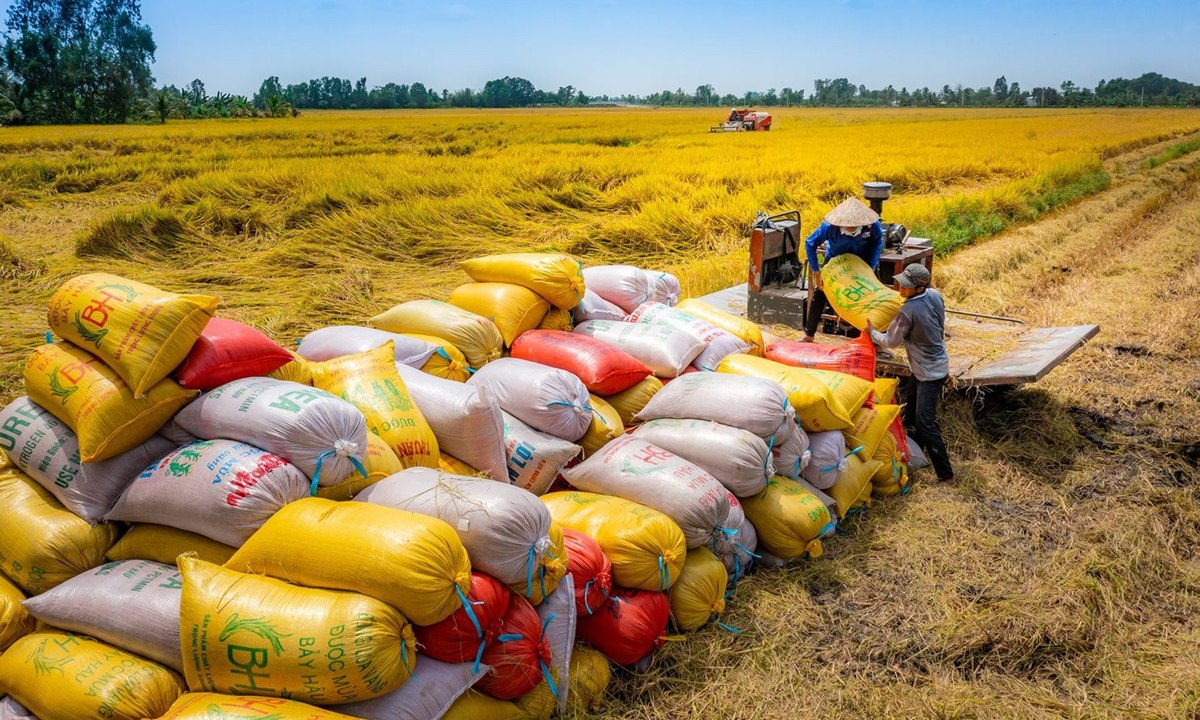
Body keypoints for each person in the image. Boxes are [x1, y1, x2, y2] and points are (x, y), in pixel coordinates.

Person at [865, 263, 956, 485]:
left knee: (925, 422)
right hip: (933, 365)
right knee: (912, 413)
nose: (900, 288)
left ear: (919, 287)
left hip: (928, 373)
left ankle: (947, 475)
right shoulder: (934, 295)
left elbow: (890, 341)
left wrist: (872, 332)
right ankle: (915, 455)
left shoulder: (908, 311)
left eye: (906, 286)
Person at [803, 197, 884, 342]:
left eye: (855, 225)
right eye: (848, 225)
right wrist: (816, 270)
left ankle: (873, 340)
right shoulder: (829, 228)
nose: (852, 227)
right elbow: (810, 243)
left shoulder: (872, 227)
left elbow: (878, 242)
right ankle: (809, 334)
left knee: (872, 296)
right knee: (821, 292)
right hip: (836, 262)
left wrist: (871, 266)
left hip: (863, 263)